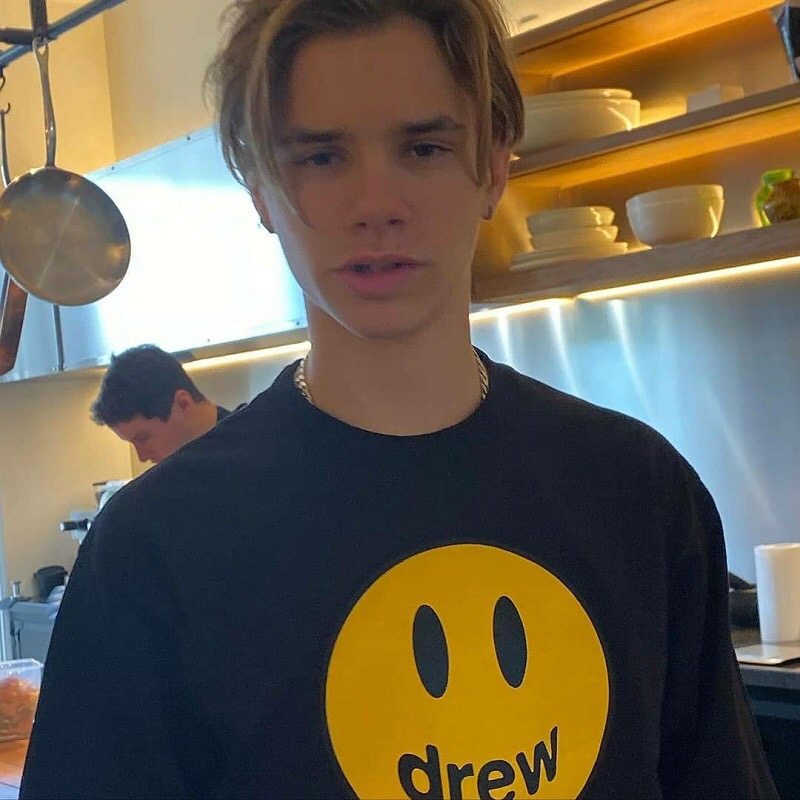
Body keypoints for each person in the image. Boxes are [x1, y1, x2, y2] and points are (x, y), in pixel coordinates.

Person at [21, 1, 777, 797]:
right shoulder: (150, 551)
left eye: (423, 147)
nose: (375, 203)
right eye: (322, 157)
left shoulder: (640, 493)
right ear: (260, 189)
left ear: (494, 164)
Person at [89, 343, 236, 464]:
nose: (142, 457)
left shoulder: (247, 454)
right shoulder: (179, 474)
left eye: (143, 438)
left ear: (183, 404)